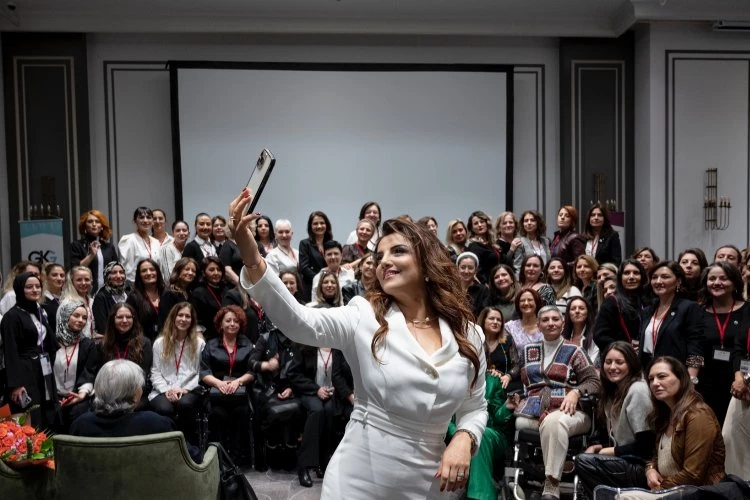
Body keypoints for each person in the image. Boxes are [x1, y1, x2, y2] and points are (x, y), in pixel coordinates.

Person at [231, 189, 487, 498]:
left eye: (398, 251)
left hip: (429, 485)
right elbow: (299, 321)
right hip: (359, 478)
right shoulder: (362, 316)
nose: (384, 262)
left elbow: (475, 406)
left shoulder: (469, 335)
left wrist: (465, 437)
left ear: (427, 262)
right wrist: (251, 254)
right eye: (379, 257)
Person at [510, 305, 601, 500]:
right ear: (538, 325)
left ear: (562, 323)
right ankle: (560, 464)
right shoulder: (527, 350)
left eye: (555, 319)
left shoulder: (575, 350)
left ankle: (551, 485)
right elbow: (520, 380)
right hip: (534, 411)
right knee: (522, 422)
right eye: (545, 320)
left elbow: (594, 382)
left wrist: (576, 392)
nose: (550, 323)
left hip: (571, 410)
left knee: (554, 422)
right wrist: (516, 397)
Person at [69, 359, 203, 464]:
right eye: (140, 386)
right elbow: (194, 459)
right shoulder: (157, 424)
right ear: (134, 393)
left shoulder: (81, 425)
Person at [575, 342, 655, 496]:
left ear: (631, 364)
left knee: (584, 462)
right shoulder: (613, 391)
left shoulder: (638, 390)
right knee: (585, 455)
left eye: (619, 362)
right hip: (625, 459)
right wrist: (598, 447)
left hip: (643, 465)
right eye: (608, 362)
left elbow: (646, 446)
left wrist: (609, 451)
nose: (612, 367)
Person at [446, 328, 513, 500]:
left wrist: (508, 407)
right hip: (450, 430)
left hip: (491, 435)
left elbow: (498, 419)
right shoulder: (449, 378)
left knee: (477, 435)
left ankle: (480, 496)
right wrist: (457, 432)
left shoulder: (494, 380)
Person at [644, 357, 725, 491]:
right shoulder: (665, 413)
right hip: (669, 490)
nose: (655, 383)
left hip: (699, 493)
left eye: (662, 376)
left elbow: (692, 475)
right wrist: (650, 469)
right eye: (651, 379)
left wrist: (656, 491)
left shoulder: (698, 415)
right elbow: (658, 457)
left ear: (681, 379)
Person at [1, 272, 57, 427]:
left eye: (38, 286)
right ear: (20, 289)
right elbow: (10, 352)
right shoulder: (12, 317)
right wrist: (16, 384)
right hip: (24, 371)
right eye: (29, 287)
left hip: (42, 368)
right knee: (30, 413)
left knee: (46, 411)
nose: (35, 290)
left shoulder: (39, 312)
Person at [200, 305, 255, 462]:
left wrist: (237, 382)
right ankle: (219, 457)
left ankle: (237, 458)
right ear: (221, 324)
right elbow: (204, 372)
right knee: (217, 414)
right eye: (228, 320)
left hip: (239, 393)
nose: (232, 324)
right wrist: (220, 384)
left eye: (236, 321)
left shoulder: (247, 344)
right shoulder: (211, 345)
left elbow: (252, 371)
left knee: (241, 413)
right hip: (217, 394)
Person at [697, 262, 748, 425]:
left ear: (734, 282)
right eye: (712, 278)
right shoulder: (698, 312)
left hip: (739, 382)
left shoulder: (747, 310)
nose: (717, 282)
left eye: (723, 278)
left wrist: (743, 378)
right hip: (705, 383)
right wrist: (692, 380)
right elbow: (694, 349)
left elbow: (745, 349)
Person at [149, 302, 205, 445]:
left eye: (187, 316)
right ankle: (167, 446)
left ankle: (188, 446)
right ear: (173, 317)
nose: (183, 319)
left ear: (192, 320)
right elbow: (155, 371)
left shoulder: (199, 343)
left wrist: (185, 389)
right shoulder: (159, 343)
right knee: (163, 408)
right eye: (180, 315)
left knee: (185, 405)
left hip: (189, 389)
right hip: (163, 390)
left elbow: (201, 372)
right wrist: (166, 390)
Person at [638, 261, 703, 379]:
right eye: (654, 277)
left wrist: (692, 378)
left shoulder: (688, 307)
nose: (658, 281)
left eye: (665, 277)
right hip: (648, 374)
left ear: (678, 281)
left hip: (676, 375)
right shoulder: (647, 311)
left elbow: (696, 347)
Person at [289, 343, 340, 487]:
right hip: (310, 391)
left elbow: (343, 374)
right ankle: (304, 465)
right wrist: (316, 389)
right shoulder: (306, 347)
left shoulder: (339, 348)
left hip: (332, 393)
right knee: (317, 411)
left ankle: (323, 463)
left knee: (329, 411)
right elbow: (294, 374)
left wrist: (338, 387)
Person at [53, 300, 98, 432]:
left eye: (84, 318)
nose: (80, 320)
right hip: (54, 397)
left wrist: (82, 394)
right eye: (76, 315)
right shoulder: (51, 342)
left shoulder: (87, 345)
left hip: (78, 396)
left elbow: (89, 372)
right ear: (66, 316)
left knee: (79, 415)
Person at [99, 303, 153, 410]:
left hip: (135, 393)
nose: (124, 320)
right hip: (111, 393)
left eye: (128, 317)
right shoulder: (104, 344)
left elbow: (143, 375)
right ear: (112, 319)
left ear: (134, 319)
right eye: (120, 317)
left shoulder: (144, 343)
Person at [593, 259, 649, 352]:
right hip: (622, 355)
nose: (631, 277)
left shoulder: (649, 301)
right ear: (620, 277)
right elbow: (600, 336)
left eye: (636, 273)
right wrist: (624, 348)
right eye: (626, 273)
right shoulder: (611, 302)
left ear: (642, 276)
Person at [70, 209, 119, 294]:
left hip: (107, 293)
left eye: (97, 221)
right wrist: (91, 255)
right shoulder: (77, 245)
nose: (94, 224)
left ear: (102, 226)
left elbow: (116, 269)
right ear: (85, 226)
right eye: (90, 221)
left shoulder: (109, 247)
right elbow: (75, 270)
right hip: (85, 291)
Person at [724, 322, 750, 477]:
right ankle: (736, 485)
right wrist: (739, 378)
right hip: (744, 387)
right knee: (729, 438)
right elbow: (738, 350)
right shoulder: (747, 313)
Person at [478, 306, 520, 393]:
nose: (495, 322)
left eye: (499, 320)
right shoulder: (476, 340)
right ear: (483, 320)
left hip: (504, 386)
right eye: (491, 318)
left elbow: (517, 365)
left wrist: (508, 376)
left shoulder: (508, 340)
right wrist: (488, 373)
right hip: (481, 386)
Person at [126, 258, 166, 342]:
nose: (148, 273)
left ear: (157, 272)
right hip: (144, 343)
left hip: (167, 341)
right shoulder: (133, 297)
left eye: (152, 269)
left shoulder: (167, 293)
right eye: (144, 271)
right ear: (139, 275)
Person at [118, 207, 161, 283]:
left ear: (152, 221)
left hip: (154, 284)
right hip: (135, 285)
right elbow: (127, 270)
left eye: (148, 217)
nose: (145, 220)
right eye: (141, 217)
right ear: (135, 220)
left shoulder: (156, 242)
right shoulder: (129, 240)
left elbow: (159, 267)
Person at [190, 256, 229, 340]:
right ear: (203, 273)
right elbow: (196, 322)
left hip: (230, 332)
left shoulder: (226, 289)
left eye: (219, 270)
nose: (216, 273)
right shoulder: (198, 293)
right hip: (209, 337)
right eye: (211, 270)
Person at [299, 211, 333, 303]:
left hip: (329, 288)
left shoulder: (331, 244)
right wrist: (320, 280)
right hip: (310, 287)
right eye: (315, 223)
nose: (319, 226)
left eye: (322, 223)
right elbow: (304, 268)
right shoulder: (305, 244)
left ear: (327, 225)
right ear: (310, 226)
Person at [91, 262, 128, 335]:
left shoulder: (130, 293)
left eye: (121, 272)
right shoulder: (101, 297)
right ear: (107, 276)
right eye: (114, 273)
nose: (118, 276)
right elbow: (102, 328)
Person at [466, 211, 501, 284]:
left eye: (482, 222)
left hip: (497, 282)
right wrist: (485, 285)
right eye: (476, 223)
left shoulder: (491, 244)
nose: (479, 225)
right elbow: (477, 270)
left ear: (487, 223)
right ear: (472, 228)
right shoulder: (474, 246)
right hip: (487, 285)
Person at [563, 296, 600, 367]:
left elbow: (592, 363)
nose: (577, 311)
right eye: (573, 309)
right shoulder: (563, 336)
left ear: (588, 312)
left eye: (581, 308)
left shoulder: (595, 335)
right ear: (568, 313)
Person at [504, 288, 544, 353]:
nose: (526, 303)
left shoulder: (545, 325)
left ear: (537, 302)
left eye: (530, 300)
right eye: (522, 301)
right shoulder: (509, 327)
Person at [61, 266, 96, 339]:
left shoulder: (92, 301)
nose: (83, 283)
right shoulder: (67, 303)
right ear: (72, 282)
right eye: (79, 280)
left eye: (87, 279)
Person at [513, 210, 551, 276]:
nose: (529, 223)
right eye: (526, 221)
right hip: (528, 279)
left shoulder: (545, 241)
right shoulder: (520, 242)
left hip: (546, 279)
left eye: (532, 220)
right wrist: (518, 281)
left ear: (538, 223)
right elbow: (518, 267)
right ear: (523, 224)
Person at [549, 205, 585, 270]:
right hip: (556, 273)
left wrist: (561, 267)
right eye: (560, 215)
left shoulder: (575, 238)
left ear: (572, 221)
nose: (562, 217)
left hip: (567, 274)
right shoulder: (557, 236)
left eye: (567, 216)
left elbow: (580, 262)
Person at [457, 252, 490, 318]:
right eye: (463, 267)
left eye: (470, 268)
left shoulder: (483, 290)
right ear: (457, 269)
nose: (466, 271)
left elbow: (483, 314)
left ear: (476, 270)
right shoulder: (450, 288)